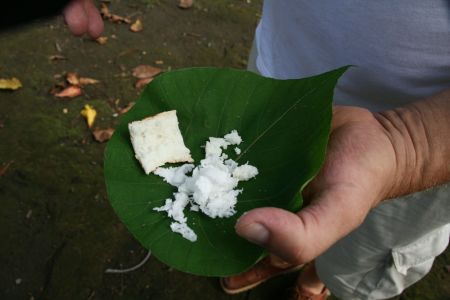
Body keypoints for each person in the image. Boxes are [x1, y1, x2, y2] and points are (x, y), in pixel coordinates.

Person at [64, 1, 450, 299]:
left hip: (424, 146)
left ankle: (317, 280)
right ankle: (280, 256)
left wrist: (408, 143)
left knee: (357, 257)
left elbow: (410, 145)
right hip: (281, 66)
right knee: (279, 208)